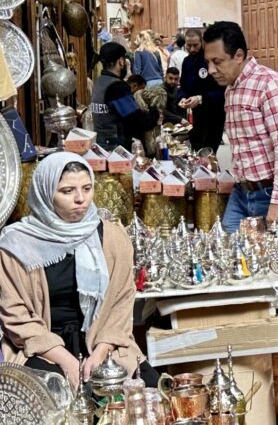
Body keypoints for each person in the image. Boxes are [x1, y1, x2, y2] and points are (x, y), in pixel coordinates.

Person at [0, 153, 160, 388]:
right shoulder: (15, 244)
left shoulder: (113, 238)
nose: (80, 199)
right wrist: (65, 360)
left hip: (101, 342)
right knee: (53, 400)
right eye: (67, 191)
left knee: (148, 392)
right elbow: (16, 315)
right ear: (45, 193)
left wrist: (101, 353)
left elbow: (121, 304)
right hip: (42, 346)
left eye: (87, 188)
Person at [203, 21, 278, 335]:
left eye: (218, 62)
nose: (212, 69)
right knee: (231, 259)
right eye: (208, 63)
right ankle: (259, 339)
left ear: (239, 55)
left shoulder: (271, 85)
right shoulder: (231, 89)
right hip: (243, 195)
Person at [91, 42, 155, 151]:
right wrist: (155, 113)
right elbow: (137, 120)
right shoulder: (117, 87)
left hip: (101, 145)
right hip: (116, 149)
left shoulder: (99, 82)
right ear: (120, 61)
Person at [178, 29, 227, 152]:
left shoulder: (211, 60)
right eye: (189, 45)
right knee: (196, 150)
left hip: (214, 114)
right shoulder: (186, 62)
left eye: (196, 45)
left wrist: (200, 98)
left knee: (208, 152)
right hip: (196, 116)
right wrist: (182, 98)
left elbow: (222, 91)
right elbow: (183, 87)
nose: (192, 49)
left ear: (202, 42)